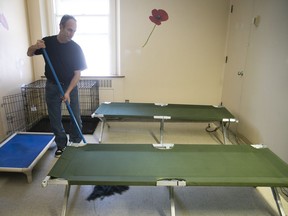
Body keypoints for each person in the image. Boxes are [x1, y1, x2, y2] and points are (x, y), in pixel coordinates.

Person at [27, 15, 87, 157]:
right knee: (55, 118)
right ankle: (61, 144)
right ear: (60, 26)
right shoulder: (47, 42)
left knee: (76, 117)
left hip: (70, 86)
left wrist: (67, 92)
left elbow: (77, 74)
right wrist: (36, 46)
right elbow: (29, 53)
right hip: (52, 85)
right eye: (69, 30)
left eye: (74, 31)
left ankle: (75, 142)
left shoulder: (75, 48)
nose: (71, 34)